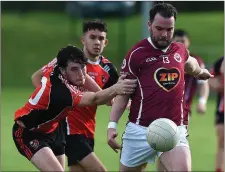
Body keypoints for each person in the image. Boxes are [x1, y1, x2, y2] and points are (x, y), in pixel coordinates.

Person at [107, 3, 213, 171]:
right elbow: (123, 93)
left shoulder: (179, 50)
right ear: (149, 25)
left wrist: (200, 72)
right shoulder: (136, 54)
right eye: (159, 29)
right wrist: (112, 125)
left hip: (174, 128)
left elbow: (189, 63)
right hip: (139, 130)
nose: (164, 34)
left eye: (169, 29)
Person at [12, 45, 137, 172]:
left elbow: (86, 80)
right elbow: (94, 99)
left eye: (83, 67)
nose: (80, 73)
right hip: (29, 133)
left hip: (54, 129)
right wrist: (115, 89)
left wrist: (110, 97)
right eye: (74, 70)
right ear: (63, 70)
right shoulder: (60, 91)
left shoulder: (60, 66)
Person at [32, 19, 120, 172]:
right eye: (92, 37)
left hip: (88, 130)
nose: (97, 42)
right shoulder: (66, 61)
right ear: (83, 40)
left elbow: (111, 98)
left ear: (106, 42)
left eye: (101, 38)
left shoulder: (109, 69)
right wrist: (52, 98)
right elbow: (36, 77)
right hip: (68, 129)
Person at [157, 29, 210, 171]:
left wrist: (202, 101)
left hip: (184, 111)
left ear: (188, 43)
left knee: (174, 145)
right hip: (161, 110)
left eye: (183, 41)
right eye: (177, 41)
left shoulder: (196, 62)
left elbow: (203, 84)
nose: (180, 43)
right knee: (163, 146)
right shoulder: (164, 60)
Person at [209, 57, 224, 172]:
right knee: (222, 141)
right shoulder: (221, 61)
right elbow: (211, 79)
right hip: (222, 109)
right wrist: (219, 86)